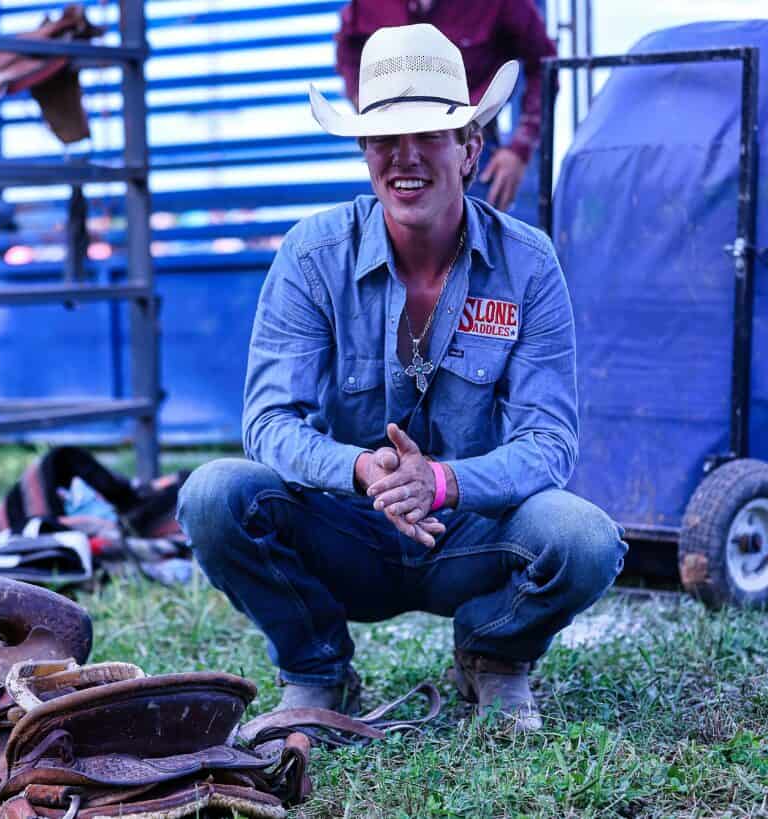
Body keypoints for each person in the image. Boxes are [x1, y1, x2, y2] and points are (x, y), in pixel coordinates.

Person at [176, 24, 625, 733]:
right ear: (363, 151)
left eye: (430, 134)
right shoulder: (312, 254)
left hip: (470, 532)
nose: (405, 157)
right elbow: (268, 422)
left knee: (586, 539)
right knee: (214, 496)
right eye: (384, 137)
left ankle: (493, 653)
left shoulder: (528, 263)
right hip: (346, 529)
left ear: (470, 149)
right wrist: (360, 469)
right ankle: (318, 670)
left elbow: (549, 442)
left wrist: (442, 482)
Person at [335, 0, 556, 211]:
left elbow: (544, 65)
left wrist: (519, 149)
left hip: (463, 137)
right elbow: (347, 48)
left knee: (472, 238)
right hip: (390, 137)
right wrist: (363, 99)